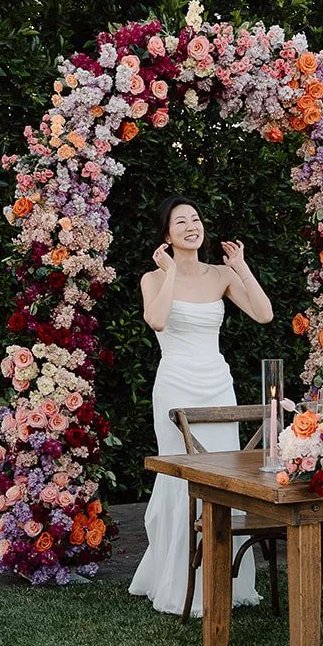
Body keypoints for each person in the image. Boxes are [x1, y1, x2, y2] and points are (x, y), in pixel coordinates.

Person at [128, 196, 274, 615]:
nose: (192, 226)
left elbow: (264, 314)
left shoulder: (221, 275)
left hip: (216, 384)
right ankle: (180, 583)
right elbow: (156, 321)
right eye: (181, 222)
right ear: (167, 235)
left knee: (224, 474)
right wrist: (170, 271)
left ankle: (227, 579)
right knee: (182, 478)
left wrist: (241, 266)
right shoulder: (153, 279)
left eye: (195, 219)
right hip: (176, 385)